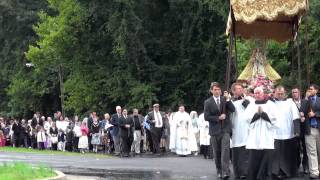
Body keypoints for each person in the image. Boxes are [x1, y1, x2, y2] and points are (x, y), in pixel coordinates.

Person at [245, 87, 278, 180]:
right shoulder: (251, 105)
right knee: (253, 161)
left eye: (259, 93)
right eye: (255, 93)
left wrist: (263, 114)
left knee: (266, 161)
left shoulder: (271, 105)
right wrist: (256, 115)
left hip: (266, 137)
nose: (257, 95)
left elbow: (275, 120)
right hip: (254, 139)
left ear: (263, 94)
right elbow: (246, 119)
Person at [204, 82, 235, 179]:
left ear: (221, 91)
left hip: (225, 130)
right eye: (215, 90)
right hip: (214, 131)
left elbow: (233, 109)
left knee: (225, 152)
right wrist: (218, 118)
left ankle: (226, 171)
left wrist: (229, 99)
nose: (217, 91)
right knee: (217, 153)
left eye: (218, 89)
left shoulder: (225, 99)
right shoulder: (208, 102)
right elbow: (206, 117)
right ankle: (219, 170)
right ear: (211, 91)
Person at [271, 86, 300, 178]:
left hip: (288, 132)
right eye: (278, 93)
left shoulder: (290, 103)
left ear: (285, 93)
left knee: (286, 154)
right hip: (274, 133)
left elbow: (295, 116)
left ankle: (287, 172)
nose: (280, 95)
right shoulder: (270, 103)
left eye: (281, 93)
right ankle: (276, 172)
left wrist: (297, 130)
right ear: (274, 93)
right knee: (276, 155)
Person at [230, 83, 253, 179]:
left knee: (246, 151)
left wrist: (244, 99)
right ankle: (237, 172)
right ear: (233, 91)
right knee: (236, 152)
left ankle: (245, 172)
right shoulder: (230, 102)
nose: (240, 90)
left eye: (241, 88)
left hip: (246, 128)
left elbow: (251, 109)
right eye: (238, 89)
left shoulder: (248, 100)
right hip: (235, 128)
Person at [291, 87, 309, 174]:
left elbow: (309, 112)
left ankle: (305, 166)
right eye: (293, 92)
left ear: (299, 93)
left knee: (305, 148)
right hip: (295, 128)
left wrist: (305, 117)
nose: (295, 94)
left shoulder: (305, 102)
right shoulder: (289, 103)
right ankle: (297, 165)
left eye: (296, 92)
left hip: (305, 128)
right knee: (296, 148)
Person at [304, 84, 320, 179]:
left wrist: (315, 114)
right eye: (308, 89)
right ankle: (314, 172)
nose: (309, 90)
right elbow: (301, 111)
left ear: (317, 90)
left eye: (311, 89)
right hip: (309, 129)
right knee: (311, 152)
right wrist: (306, 98)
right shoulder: (305, 100)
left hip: (319, 128)